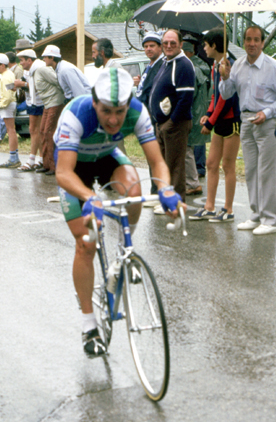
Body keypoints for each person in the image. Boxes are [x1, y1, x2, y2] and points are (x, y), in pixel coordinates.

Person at [54, 67, 182, 358]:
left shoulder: (137, 112)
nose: (113, 120)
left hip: (107, 156)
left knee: (134, 189)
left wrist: (167, 189)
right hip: (74, 167)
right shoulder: (76, 113)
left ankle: (123, 251)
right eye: (106, 111)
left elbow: (157, 163)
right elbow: (63, 172)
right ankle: (89, 325)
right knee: (85, 243)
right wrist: (89, 196)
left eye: (120, 112)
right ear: (94, 102)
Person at [219, 25, 276, 235]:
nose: (252, 44)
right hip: (246, 120)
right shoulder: (238, 65)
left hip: (267, 122)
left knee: (267, 172)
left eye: (256, 40)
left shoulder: (273, 66)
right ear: (243, 42)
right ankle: (256, 215)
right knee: (251, 170)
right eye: (248, 39)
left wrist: (267, 113)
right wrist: (224, 76)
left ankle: (270, 219)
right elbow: (225, 94)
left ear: (262, 42)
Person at [190, 27, 240, 222]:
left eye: (206, 44)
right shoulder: (214, 66)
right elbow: (215, 95)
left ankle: (228, 209)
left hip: (231, 120)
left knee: (228, 165)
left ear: (214, 45)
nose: (204, 48)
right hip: (219, 119)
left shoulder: (229, 65)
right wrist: (208, 114)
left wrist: (210, 122)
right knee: (211, 163)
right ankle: (209, 206)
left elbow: (226, 99)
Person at [149, 29, 195, 207]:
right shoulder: (166, 62)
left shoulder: (183, 64)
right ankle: (166, 199)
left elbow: (185, 99)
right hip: (162, 124)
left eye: (173, 43)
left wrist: (171, 123)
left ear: (181, 44)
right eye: (165, 43)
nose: (168, 46)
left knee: (175, 166)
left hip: (176, 124)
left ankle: (176, 203)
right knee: (164, 165)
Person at [134, 31, 164, 199]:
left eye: (152, 46)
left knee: (156, 155)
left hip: (154, 117)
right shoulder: (149, 66)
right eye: (146, 46)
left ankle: (157, 190)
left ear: (160, 47)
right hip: (145, 115)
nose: (148, 49)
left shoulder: (161, 65)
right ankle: (155, 188)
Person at [182, 39, 210, 197]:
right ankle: (198, 171)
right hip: (202, 110)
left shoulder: (191, 68)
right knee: (195, 144)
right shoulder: (203, 66)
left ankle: (193, 181)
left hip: (193, 110)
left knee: (188, 146)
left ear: (186, 52)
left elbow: (189, 94)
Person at [34, 46, 66, 175]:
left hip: (55, 102)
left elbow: (59, 81)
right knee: (43, 131)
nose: (43, 59)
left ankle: (54, 166)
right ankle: (46, 163)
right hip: (48, 103)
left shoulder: (43, 69)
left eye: (45, 57)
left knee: (49, 132)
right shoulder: (38, 70)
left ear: (52, 57)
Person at [15, 48, 45, 171]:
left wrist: (22, 85)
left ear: (29, 60)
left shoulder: (38, 69)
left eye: (22, 60)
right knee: (34, 130)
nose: (20, 63)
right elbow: (28, 86)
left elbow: (39, 86)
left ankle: (39, 159)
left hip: (41, 102)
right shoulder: (26, 71)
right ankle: (36, 158)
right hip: (31, 102)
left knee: (40, 130)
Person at [0, 53, 20, 168]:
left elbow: (8, 95)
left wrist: (2, 104)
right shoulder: (8, 74)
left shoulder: (6, 76)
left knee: (11, 130)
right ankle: (14, 157)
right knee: (11, 130)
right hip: (9, 104)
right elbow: (8, 92)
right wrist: (1, 101)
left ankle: (13, 158)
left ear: (2, 65)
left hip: (8, 105)